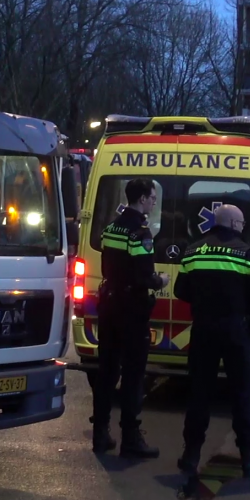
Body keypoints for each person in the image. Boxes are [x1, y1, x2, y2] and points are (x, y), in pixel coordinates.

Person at [174, 202, 250, 480]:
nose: (242, 228)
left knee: (199, 394)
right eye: (240, 224)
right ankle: (249, 458)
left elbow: (180, 290)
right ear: (231, 224)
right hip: (235, 330)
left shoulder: (193, 250)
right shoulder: (245, 252)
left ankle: (191, 456)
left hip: (203, 329)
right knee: (242, 394)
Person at [91, 178, 165, 458]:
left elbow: (108, 265)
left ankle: (100, 434)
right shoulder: (140, 232)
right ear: (143, 199)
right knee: (134, 375)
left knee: (107, 372)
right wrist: (161, 280)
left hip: (110, 305)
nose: (154, 201)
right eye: (153, 197)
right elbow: (143, 275)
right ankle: (131, 439)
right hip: (133, 309)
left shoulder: (112, 227)